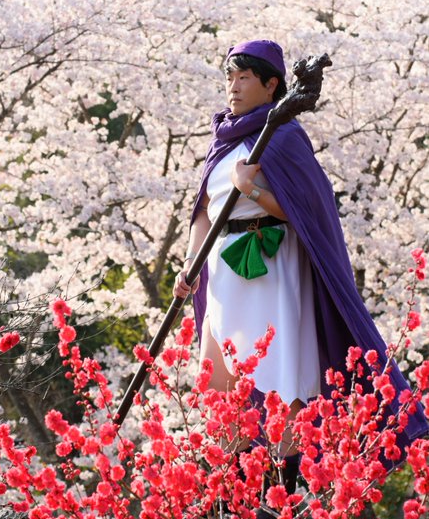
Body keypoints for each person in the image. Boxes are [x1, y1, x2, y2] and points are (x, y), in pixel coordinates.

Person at [173, 39, 428, 480]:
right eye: (230, 77)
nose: (233, 87)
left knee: (278, 377)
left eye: (244, 77)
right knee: (217, 382)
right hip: (223, 272)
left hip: (273, 268)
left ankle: (280, 495)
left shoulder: (285, 137)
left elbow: (307, 210)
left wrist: (250, 189)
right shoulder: (223, 141)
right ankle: (234, 499)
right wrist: (191, 264)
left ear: (271, 85)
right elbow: (204, 211)